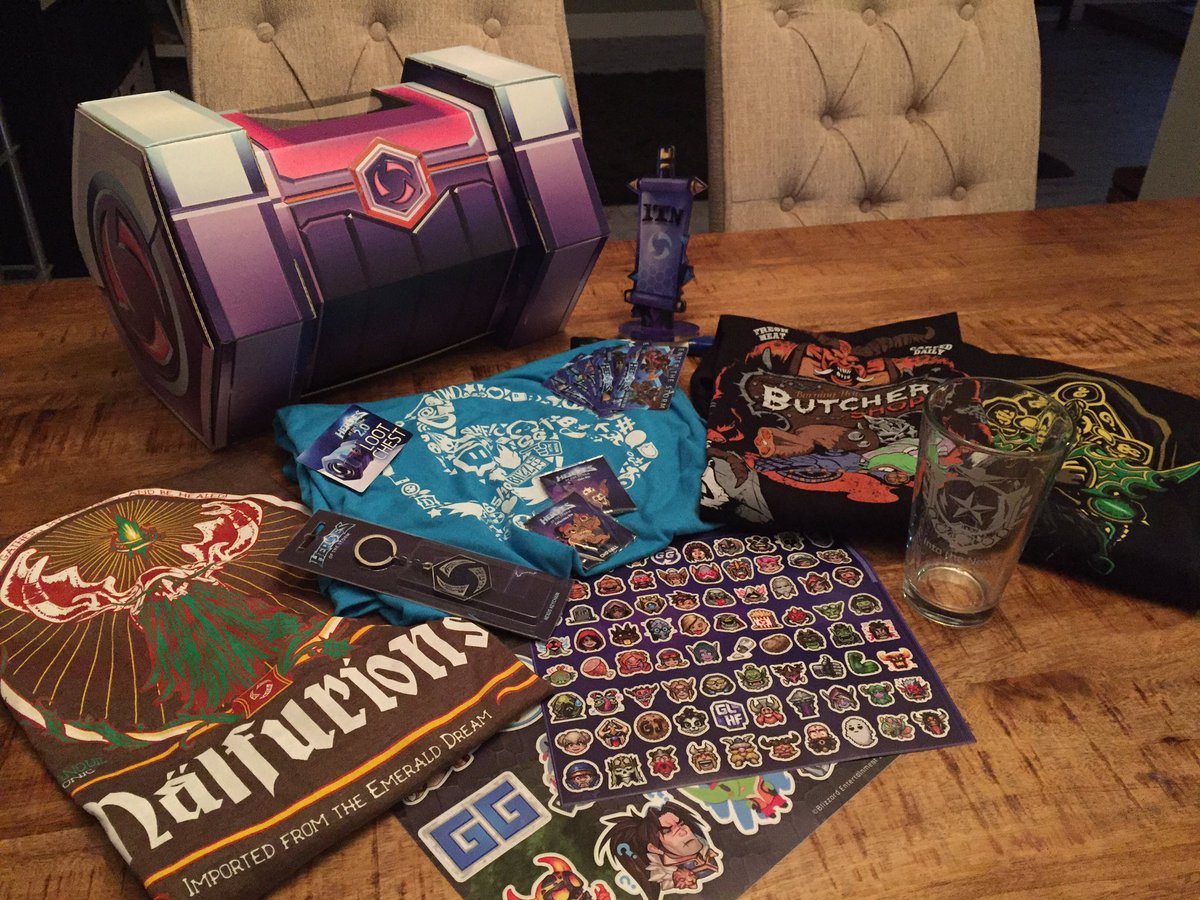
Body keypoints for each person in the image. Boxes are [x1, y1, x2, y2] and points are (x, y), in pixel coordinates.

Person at [596, 801, 721, 899]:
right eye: (668, 831)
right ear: (654, 848)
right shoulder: (666, 876)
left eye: (681, 824)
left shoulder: (708, 848)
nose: (683, 832)